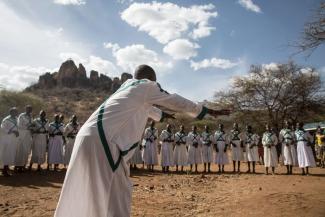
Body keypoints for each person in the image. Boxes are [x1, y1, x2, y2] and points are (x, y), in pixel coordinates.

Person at [54, 64, 229, 217]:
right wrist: (207, 111)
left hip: (86, 136)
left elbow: (149, 110)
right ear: (152, 79)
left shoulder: (126, 89)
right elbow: (174, 100)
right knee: (117, 192)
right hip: (104, 142)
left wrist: (164, 116)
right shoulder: (146, 86)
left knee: (87, 189)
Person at [0, 107, 19, 177]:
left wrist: (17, 132)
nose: (16, 113)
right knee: (6, 153)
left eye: (16, 112)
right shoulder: (6, 120)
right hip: (7, 139)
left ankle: (6, 167)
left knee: (11, 153)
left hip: (13, 139)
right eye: (14, 112)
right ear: (10, 112)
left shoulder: (16, 119)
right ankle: (4, 170)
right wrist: (13, 131)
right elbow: (3, 129)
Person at [15, 105, 33, 172]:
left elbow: (31, 125)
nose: (29, 110)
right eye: (28, 109)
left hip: (28, 136)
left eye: (30, 109)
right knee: (20, 150)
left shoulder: (31, 116)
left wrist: (31, 127)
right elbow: (19, 126)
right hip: (22, 135)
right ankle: (17, 166)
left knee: (26, 151)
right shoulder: (21, 116)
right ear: (25, 109)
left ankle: (23, 165)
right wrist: (28, 127)